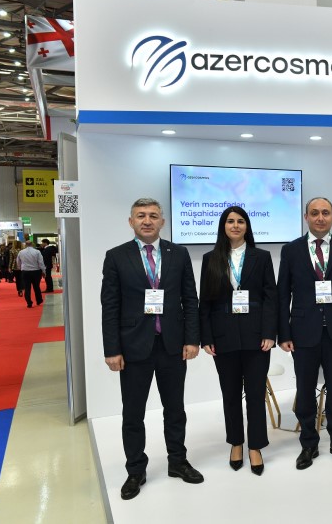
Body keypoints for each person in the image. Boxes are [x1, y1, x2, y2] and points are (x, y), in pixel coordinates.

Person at [101, 198, 203, 501]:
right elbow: (110, 306)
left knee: (175, 410)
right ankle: (135, 469)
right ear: (131, 221)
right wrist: (112, 349)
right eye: (141, 216)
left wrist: (192, 339)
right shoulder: (116, 256)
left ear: (162, 222)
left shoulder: (179, 253)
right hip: (133, 348)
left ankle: (178, 461)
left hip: (172, 345)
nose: (147, 220)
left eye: (153, 216)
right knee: (133, 414)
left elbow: (190, 299)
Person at [278, 197, 332, 470]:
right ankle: (309, 443)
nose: (320, 217)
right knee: (305, 390)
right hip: (302, 332)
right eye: (314, 213)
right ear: (306, 217)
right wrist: (284, 333)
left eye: (325, 213)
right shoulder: (291, 250)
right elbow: (282, 295)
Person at [199, 206, 277, 476]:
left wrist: (269, 333)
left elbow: (270, 298)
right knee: (230, 395)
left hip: (257, 338)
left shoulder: (261, 257)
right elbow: (205, 302)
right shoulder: (210, 259)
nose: (235, 225)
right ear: (223, 226)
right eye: (230, 221)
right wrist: (206, 337)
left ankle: (255, 446)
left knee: (255, 395)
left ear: (247, 226)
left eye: (240, 221)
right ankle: (236, 443)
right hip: (223, 338)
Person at [16, 241, 45, 308]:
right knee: (36, 286)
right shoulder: (37, 252)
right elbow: (41, 262)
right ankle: (39, 300)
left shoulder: (21, 252)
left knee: (27, 288)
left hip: (25, 271)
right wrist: (43, 271)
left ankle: (29, 302)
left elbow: (18, 261)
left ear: (25, 245)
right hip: (36, 271)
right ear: (32, 244)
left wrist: (20, 268)